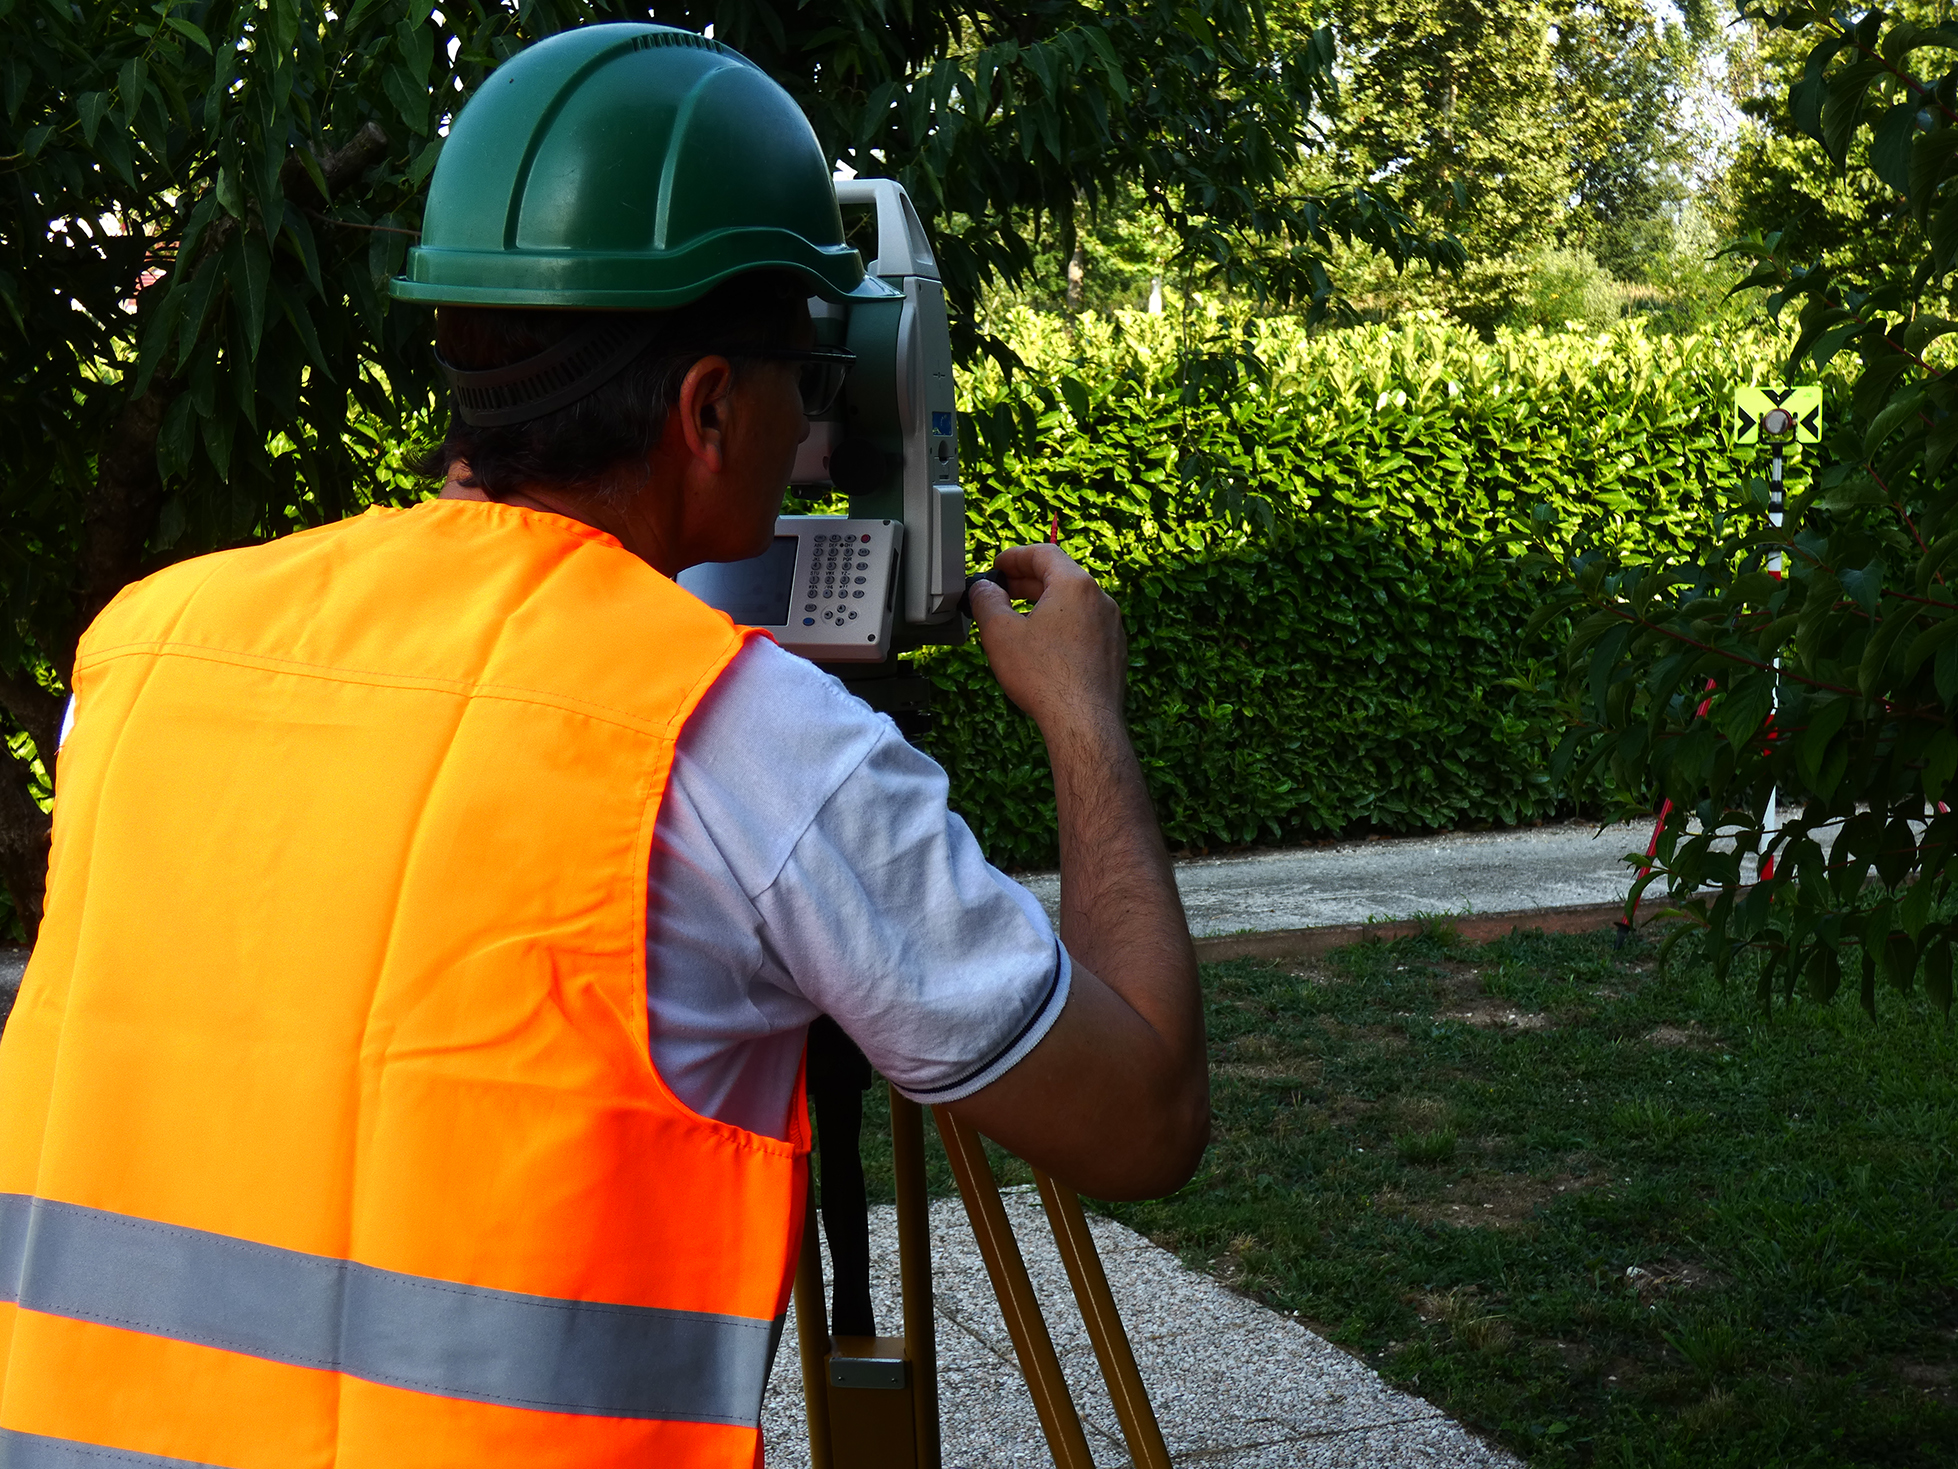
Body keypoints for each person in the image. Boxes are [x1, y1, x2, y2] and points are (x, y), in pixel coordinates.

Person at [0, 23, 1204, 1467]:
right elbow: (1142, 1120)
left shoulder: (146, 648)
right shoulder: (747, 745)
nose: (809, 421)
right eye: (802, 379)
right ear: (708, 406)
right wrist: (1082, 710)